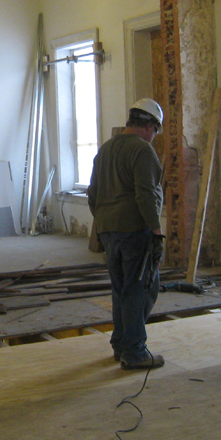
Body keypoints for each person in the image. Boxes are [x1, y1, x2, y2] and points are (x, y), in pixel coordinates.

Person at [87, 98, 165, 369]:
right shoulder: (142, 151)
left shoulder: (106, 149)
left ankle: (120, 344)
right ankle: (134, 351)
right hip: (134, 230)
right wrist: (156, 232)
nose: (154, 137)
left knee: (121, 288)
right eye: (156, 130)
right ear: (148, 125)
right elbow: (146, 194)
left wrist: (105, 222)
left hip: (108, 230)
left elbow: (93, 194)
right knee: (140, 288)